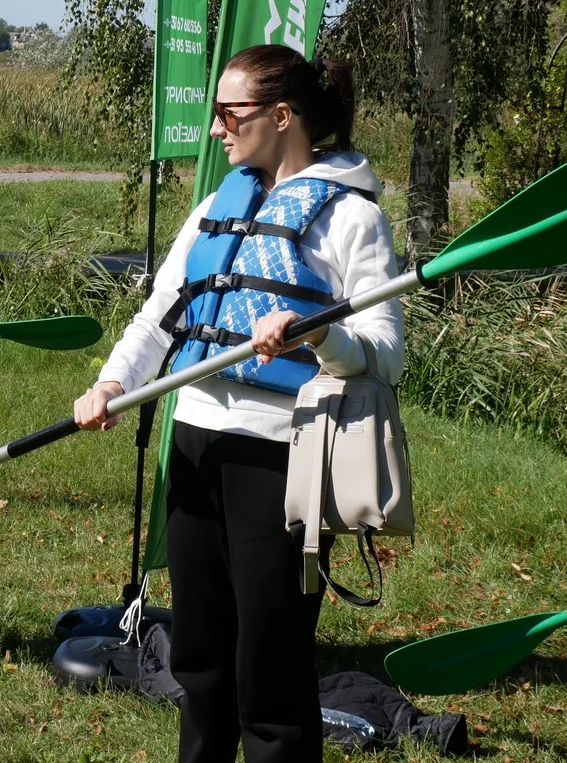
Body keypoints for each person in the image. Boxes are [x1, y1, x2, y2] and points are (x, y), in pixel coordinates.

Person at [73, 44, 404, 763]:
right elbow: (162, 314)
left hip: (283, 456)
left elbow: (386, 352)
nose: (217, 127)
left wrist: (321, 334)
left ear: (282, 116)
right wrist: (112, 383)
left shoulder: (352, 218)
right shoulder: (215, 207)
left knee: (271, 663)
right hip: (196, 442)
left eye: (231, 112)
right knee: (200, 655)